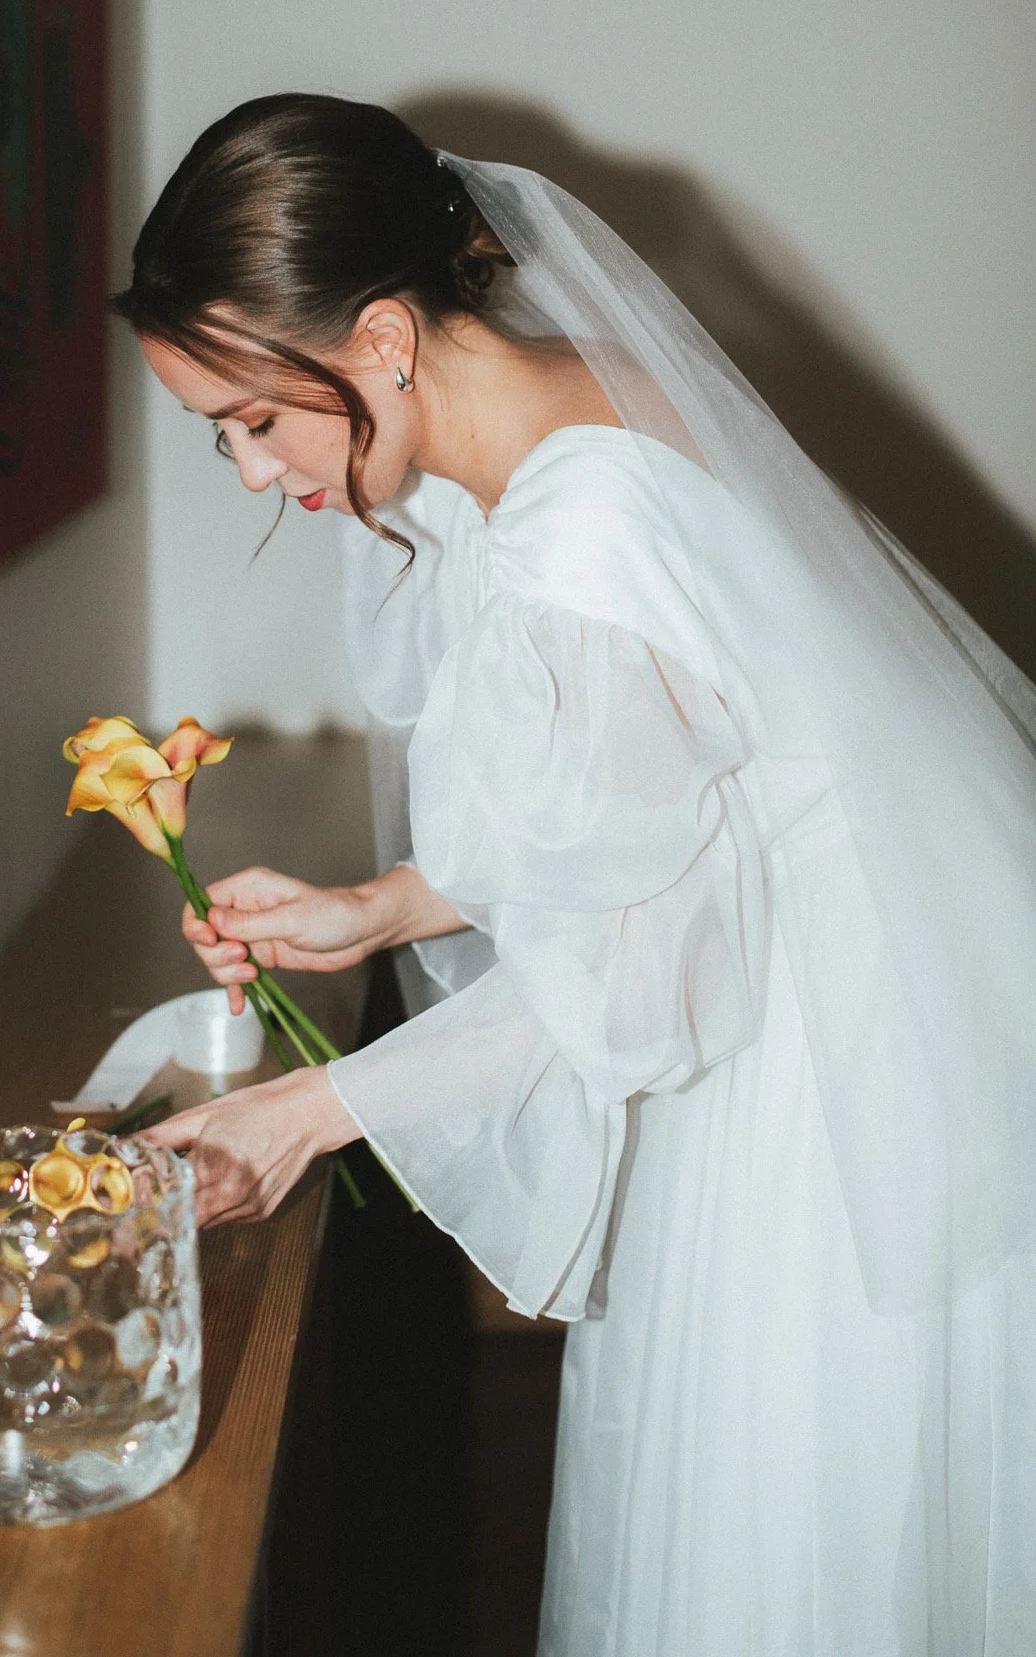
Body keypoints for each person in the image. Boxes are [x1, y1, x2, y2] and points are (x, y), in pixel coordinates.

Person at [126, 93, 1036, 1655]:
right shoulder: (564, 401)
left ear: (386, 340)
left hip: (844, 1065)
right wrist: (385, 907)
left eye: (253, 420)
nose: (249, 470)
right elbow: (662, 793)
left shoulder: (578, 531)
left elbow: (637, 972)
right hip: (887, 962)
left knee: (793, 1528)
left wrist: (299, 1115)